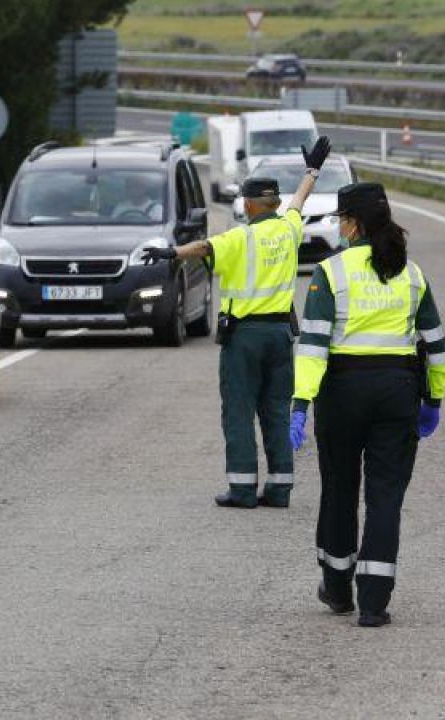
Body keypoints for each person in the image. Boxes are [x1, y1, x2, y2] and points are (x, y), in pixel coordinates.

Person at [289, 182, 445, 627]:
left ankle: (338, 589)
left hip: (342, 393)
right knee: (385, 496)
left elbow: (313, 346)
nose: (339, 227)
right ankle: (375, 603)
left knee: (339, 489)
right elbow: (437, 346)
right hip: (398, 392)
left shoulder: (331, 272)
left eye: (341, 219)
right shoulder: (412, 274)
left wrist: (301, 402)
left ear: (353, 224)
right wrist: (434, 398)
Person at [144, 136, 332, 509]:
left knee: (239, 412)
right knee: (276, 411)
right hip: (280, 335)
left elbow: (204, 248)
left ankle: (243, 488)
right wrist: (312, 172)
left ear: (247, 204)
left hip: (244, 337)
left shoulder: (240, 237)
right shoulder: (289, 229)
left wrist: (171, 252)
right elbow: (299, 202)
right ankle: (280, 488)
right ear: (274, 203)